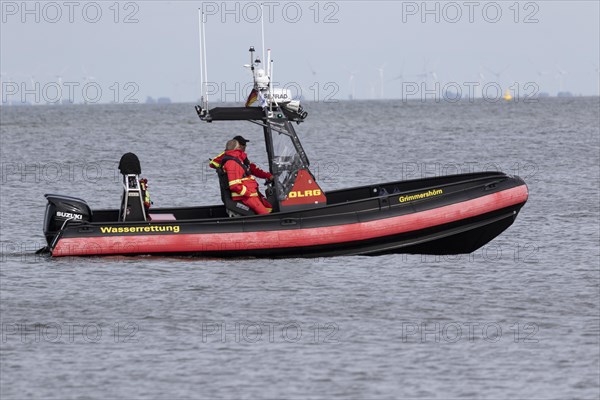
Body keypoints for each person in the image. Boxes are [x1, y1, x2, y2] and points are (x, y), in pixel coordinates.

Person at [211, 138, 273, 214]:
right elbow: (234, 185)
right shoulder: (232, 162)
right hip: (245, 196)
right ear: (238, 147)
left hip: (250, 194)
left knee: (268, 208)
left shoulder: (240, 159)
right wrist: (248, 193)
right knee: (265, 214)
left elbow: (254, 169)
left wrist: (268, 176)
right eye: (243, 145)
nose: (245, 147)